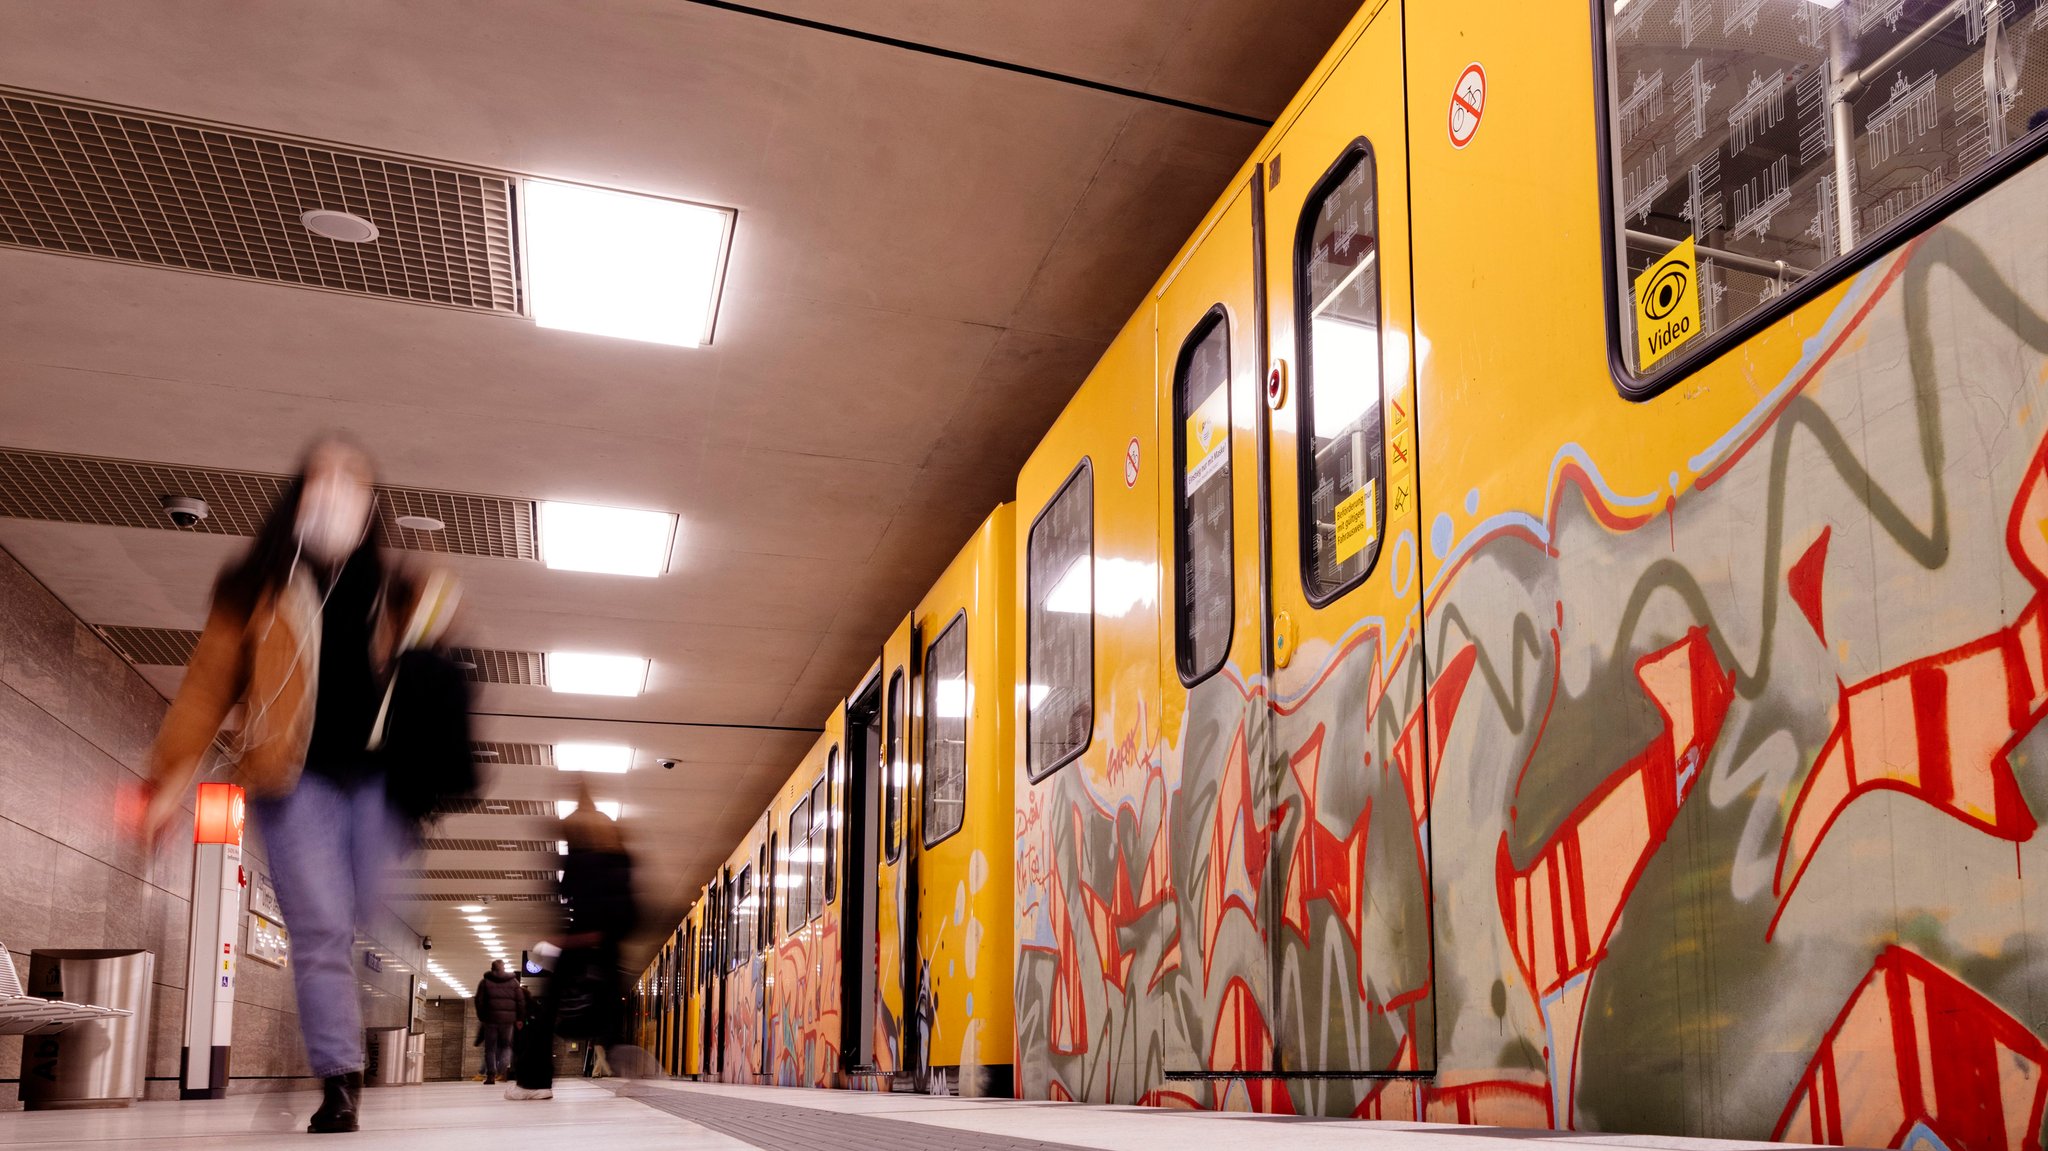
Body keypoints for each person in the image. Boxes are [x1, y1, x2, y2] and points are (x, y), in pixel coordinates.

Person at [141, 436, 471, 1134]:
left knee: (370, 905)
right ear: (299, 495)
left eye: (352, 485)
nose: (336, 496)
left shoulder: (396, 589)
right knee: (321, 928)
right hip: (292, 782)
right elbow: (206, 688)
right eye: (323, 481)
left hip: (379, 784)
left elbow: (440, 671)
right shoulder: (254, 586)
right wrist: (168, 780)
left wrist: (436, 624)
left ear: (369, 506)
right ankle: (340, 1078)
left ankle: (339, 1048)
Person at [505, 787, 639, 1100]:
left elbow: (573, 904)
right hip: (609, 949)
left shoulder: (582, 862)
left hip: (579, 946)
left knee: (547, 1013)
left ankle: (533, 1083)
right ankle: (627, 1061)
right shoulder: (622, 859)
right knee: (606, 1008)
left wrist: (560, 939)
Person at [473, 960, 524, 1084]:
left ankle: (491, 1074)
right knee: (506, 1046)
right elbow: (520, 1001)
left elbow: (478, 1001)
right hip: (508, 1021)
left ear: (492, 968)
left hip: (490, 1020)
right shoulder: (514, 982)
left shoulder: (484, 982)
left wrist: (482, 1017)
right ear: (503, 968)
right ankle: (502, 1068)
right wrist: (520, 1018)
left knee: (490, 1048)